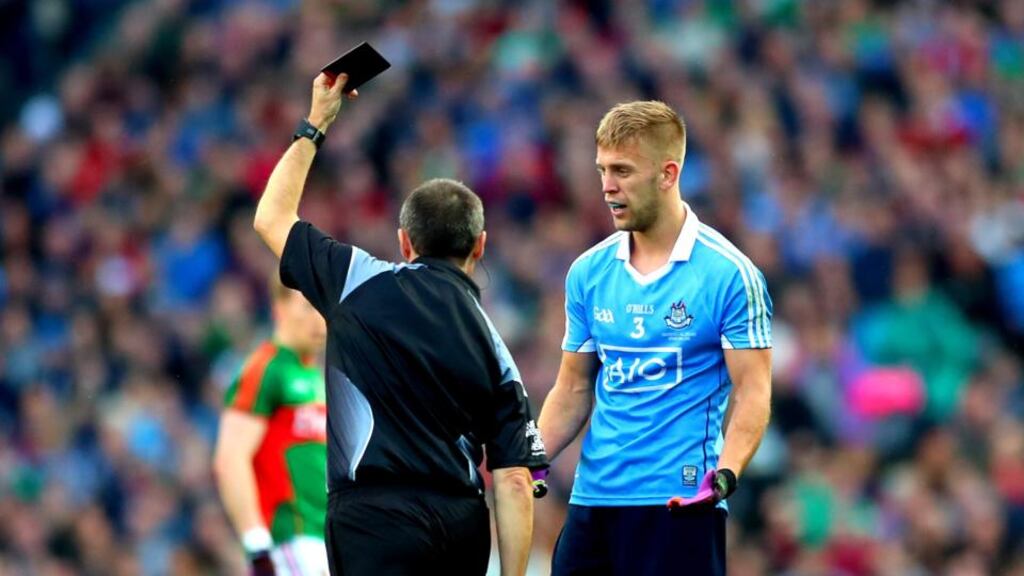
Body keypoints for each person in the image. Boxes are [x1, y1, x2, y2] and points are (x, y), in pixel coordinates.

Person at [251, 72, 548, 576]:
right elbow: (515, 480)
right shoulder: (496, 348)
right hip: (460, 524)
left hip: (372, 522)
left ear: (405, 242)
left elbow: (270, 217)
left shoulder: (355, 281)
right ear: (479, 246)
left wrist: (315, 124)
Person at [538, 101, 773, 575]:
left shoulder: (729, 274)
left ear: (668, 174)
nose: (607, 186)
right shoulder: (589, 272)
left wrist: (724, 476)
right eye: (603, 169)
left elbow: (753, 392)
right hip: (594, 501)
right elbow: (574, 387)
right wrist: (530, 458)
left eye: (622, 171)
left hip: (679, 503)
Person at [213, 273, 329, 576]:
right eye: (307, 307)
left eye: (323, 307)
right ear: (279, 308)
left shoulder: (316, 378)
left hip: (326, 543)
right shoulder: (265, 369)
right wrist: (257, 544)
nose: (319, 320)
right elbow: (230, 458)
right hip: (290, 544)